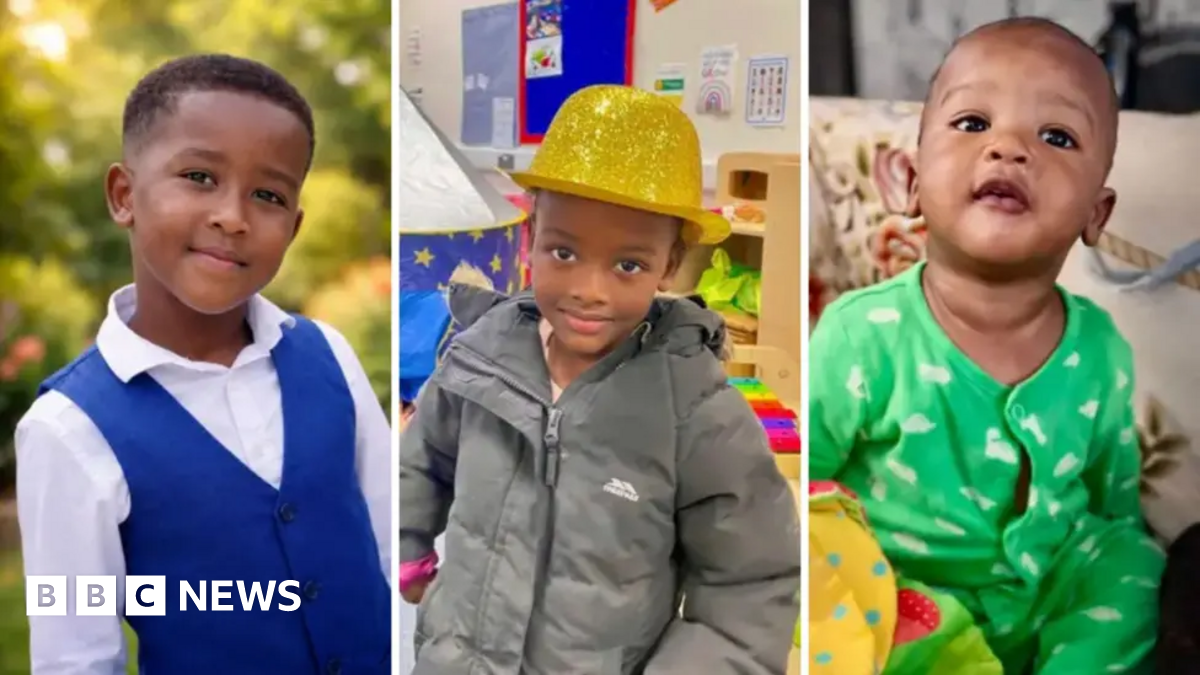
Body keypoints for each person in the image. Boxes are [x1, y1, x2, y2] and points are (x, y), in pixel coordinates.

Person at [398, 85, 801, 675]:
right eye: (563, 253)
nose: (590, 289)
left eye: (628, 265)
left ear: (668, 264)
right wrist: (410, 549)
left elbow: (750, 584)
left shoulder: (697, 413)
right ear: (532, 236)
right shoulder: (477, 357)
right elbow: (422, 458)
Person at [15, 54, 392, 674]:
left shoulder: (329, 357)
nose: (233, 217)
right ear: (123, 195)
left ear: (293, 227)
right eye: (198, 176)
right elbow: (75, 658)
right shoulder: (68, 430)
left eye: (268, 195)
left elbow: (384, 537)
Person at [808, 17, 1162, 674]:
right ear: (905, 180)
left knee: (1135, 564)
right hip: (903, 598)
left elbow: (1113, 501)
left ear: (1096, 213)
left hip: (1049, 587)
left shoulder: (1100, 348)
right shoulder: (860, 336)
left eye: (1056, 136)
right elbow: (800, 487)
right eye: (972, 123)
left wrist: (1110, 558)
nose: (1009, 148)